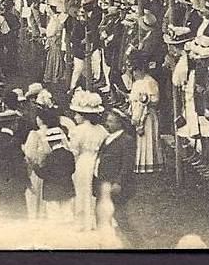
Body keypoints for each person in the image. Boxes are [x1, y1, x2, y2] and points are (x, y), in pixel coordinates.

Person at [94, 109, 138, 243]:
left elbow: (127, 164)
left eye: (111, 121)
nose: (108, 124)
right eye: (107, 121)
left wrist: (119, 182)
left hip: (114, 185)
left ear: (120, 123)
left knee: (120, 217)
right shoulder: (108, 138)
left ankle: (137, 243)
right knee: (100, 215)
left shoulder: (126, 140)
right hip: (103, 183)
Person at [67, 89, 108, 230]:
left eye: (77, 114)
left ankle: (82, 220)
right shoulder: (102, 130)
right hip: (97, 161)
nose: (75, 116)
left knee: (82, 190)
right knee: (93, 190)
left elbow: (74, 150)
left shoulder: (77, 130)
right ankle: (93, 219)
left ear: (84, 115)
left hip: (83, 162)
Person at [128, 53, 164, 174]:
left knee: (150, 138)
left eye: (137, 71)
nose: (135, 74)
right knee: (141, 139)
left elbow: (155, 100)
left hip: (148, 115)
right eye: (134, 72)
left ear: (143, 69)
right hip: (138, 113)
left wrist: (145, 101)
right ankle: (141, 164)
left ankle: (153, 164)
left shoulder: (150, 81)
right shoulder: (137, 83)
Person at [35, 125, 76, 223]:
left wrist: (35, 167)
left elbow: (44, 174)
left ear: (49, 142)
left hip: (52, 190)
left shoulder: (50, 157)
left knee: (54, 217)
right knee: (67, 214)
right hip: (66, 188)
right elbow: (72, 170)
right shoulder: (69, 154)